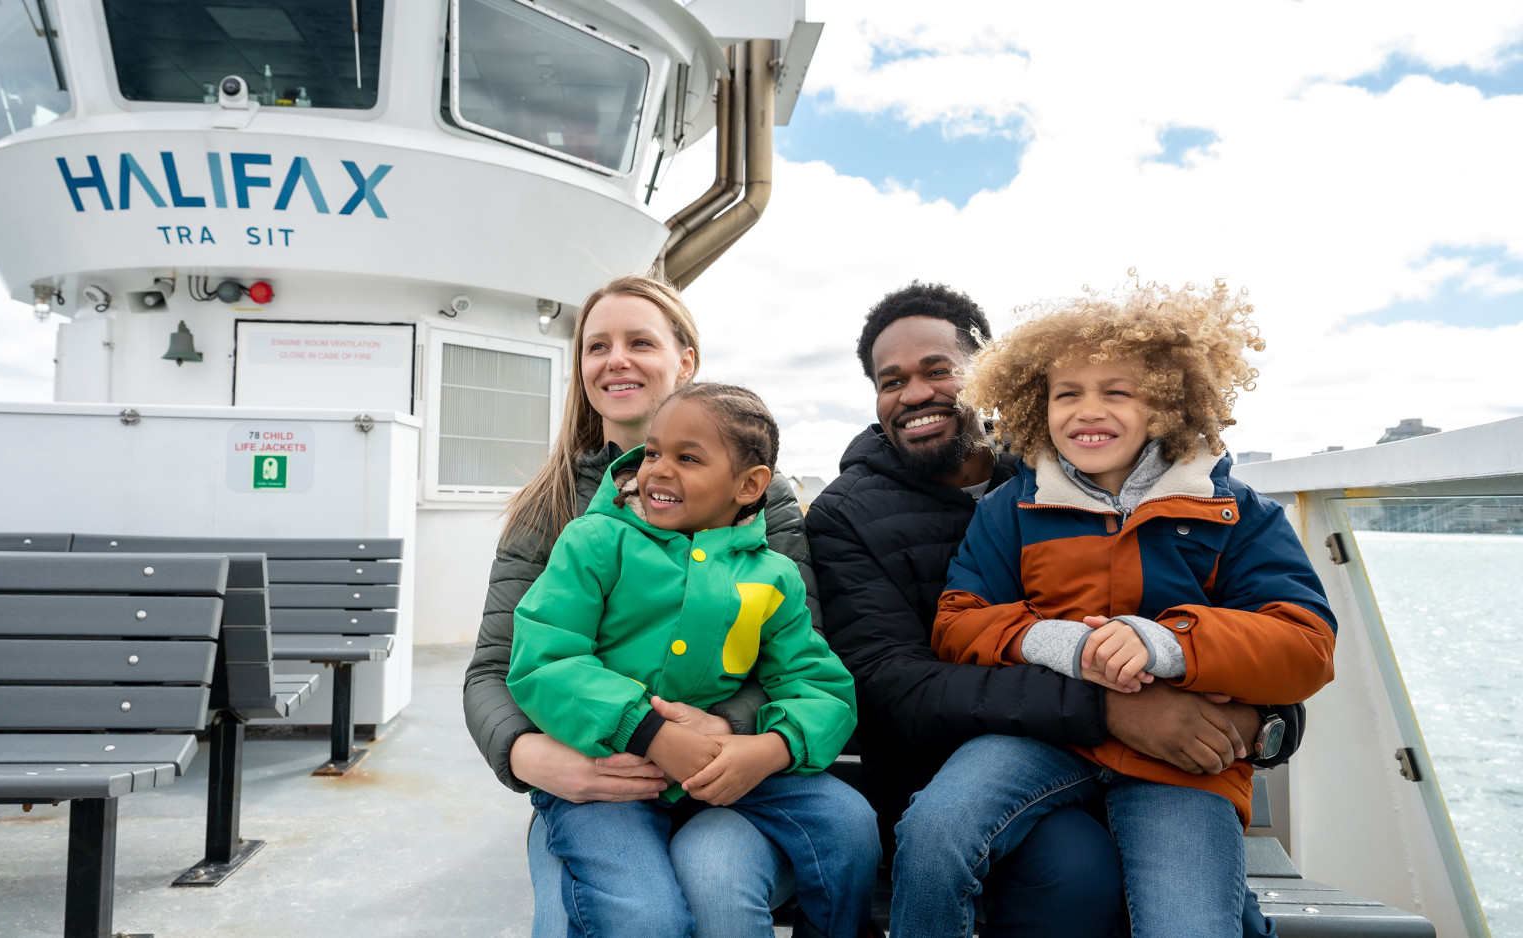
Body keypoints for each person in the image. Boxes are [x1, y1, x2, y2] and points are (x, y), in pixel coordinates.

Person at [806, 281, 1306, 938]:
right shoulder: (946, 511)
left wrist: (1245, 705)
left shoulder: (1218, 507)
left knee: (1199, 913)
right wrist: (1091, 679)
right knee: (1071, 876)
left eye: (937, 370)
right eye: (890, 381)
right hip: (1005, 747)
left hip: (1167, 762)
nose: (914, 393)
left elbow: (1296, 638)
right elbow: (903, 671)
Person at [463, 273, 843, 938]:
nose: (616, 360)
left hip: (725, 778)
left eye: (640, 342)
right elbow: (494, 668)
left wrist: (722, 730)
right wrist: (526, 754)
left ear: (685, 362)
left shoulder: (762, 503)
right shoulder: (550, 507)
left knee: (726, 887)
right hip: (593, 781)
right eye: (596, 346)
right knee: (595, 918)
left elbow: (793, 656)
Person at [509, 382, 879, 938]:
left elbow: (819, 688)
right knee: (647, 918)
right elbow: (545, 660)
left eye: (687, 459)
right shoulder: (594, 542)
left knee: (849, 823)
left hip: (721, 767)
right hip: (610, 776)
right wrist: (648, 731)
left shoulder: (773, 577)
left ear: (749, 485)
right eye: (653, 452)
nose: (658, 470)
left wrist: (769, 749)